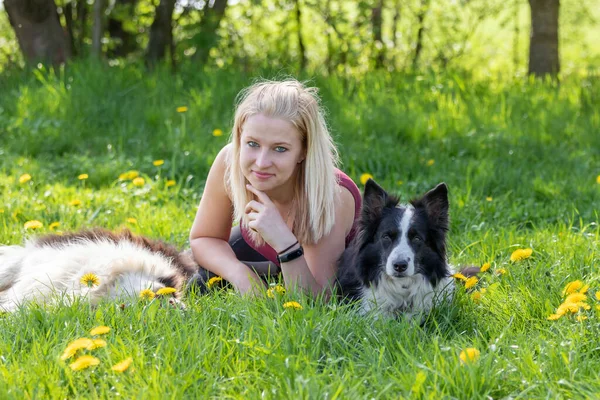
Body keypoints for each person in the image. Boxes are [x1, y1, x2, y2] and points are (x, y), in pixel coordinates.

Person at [188, 79, 361, 298]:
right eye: (252, 144)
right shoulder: (229, 161)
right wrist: (242, 276)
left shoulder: (332, 195)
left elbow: (319, 301)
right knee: (200, 282)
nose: (261, 163)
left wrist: (285, 242)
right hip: (266, 254)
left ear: (304, 151)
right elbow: (205, 238)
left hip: (313, 271)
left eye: (280, 149)